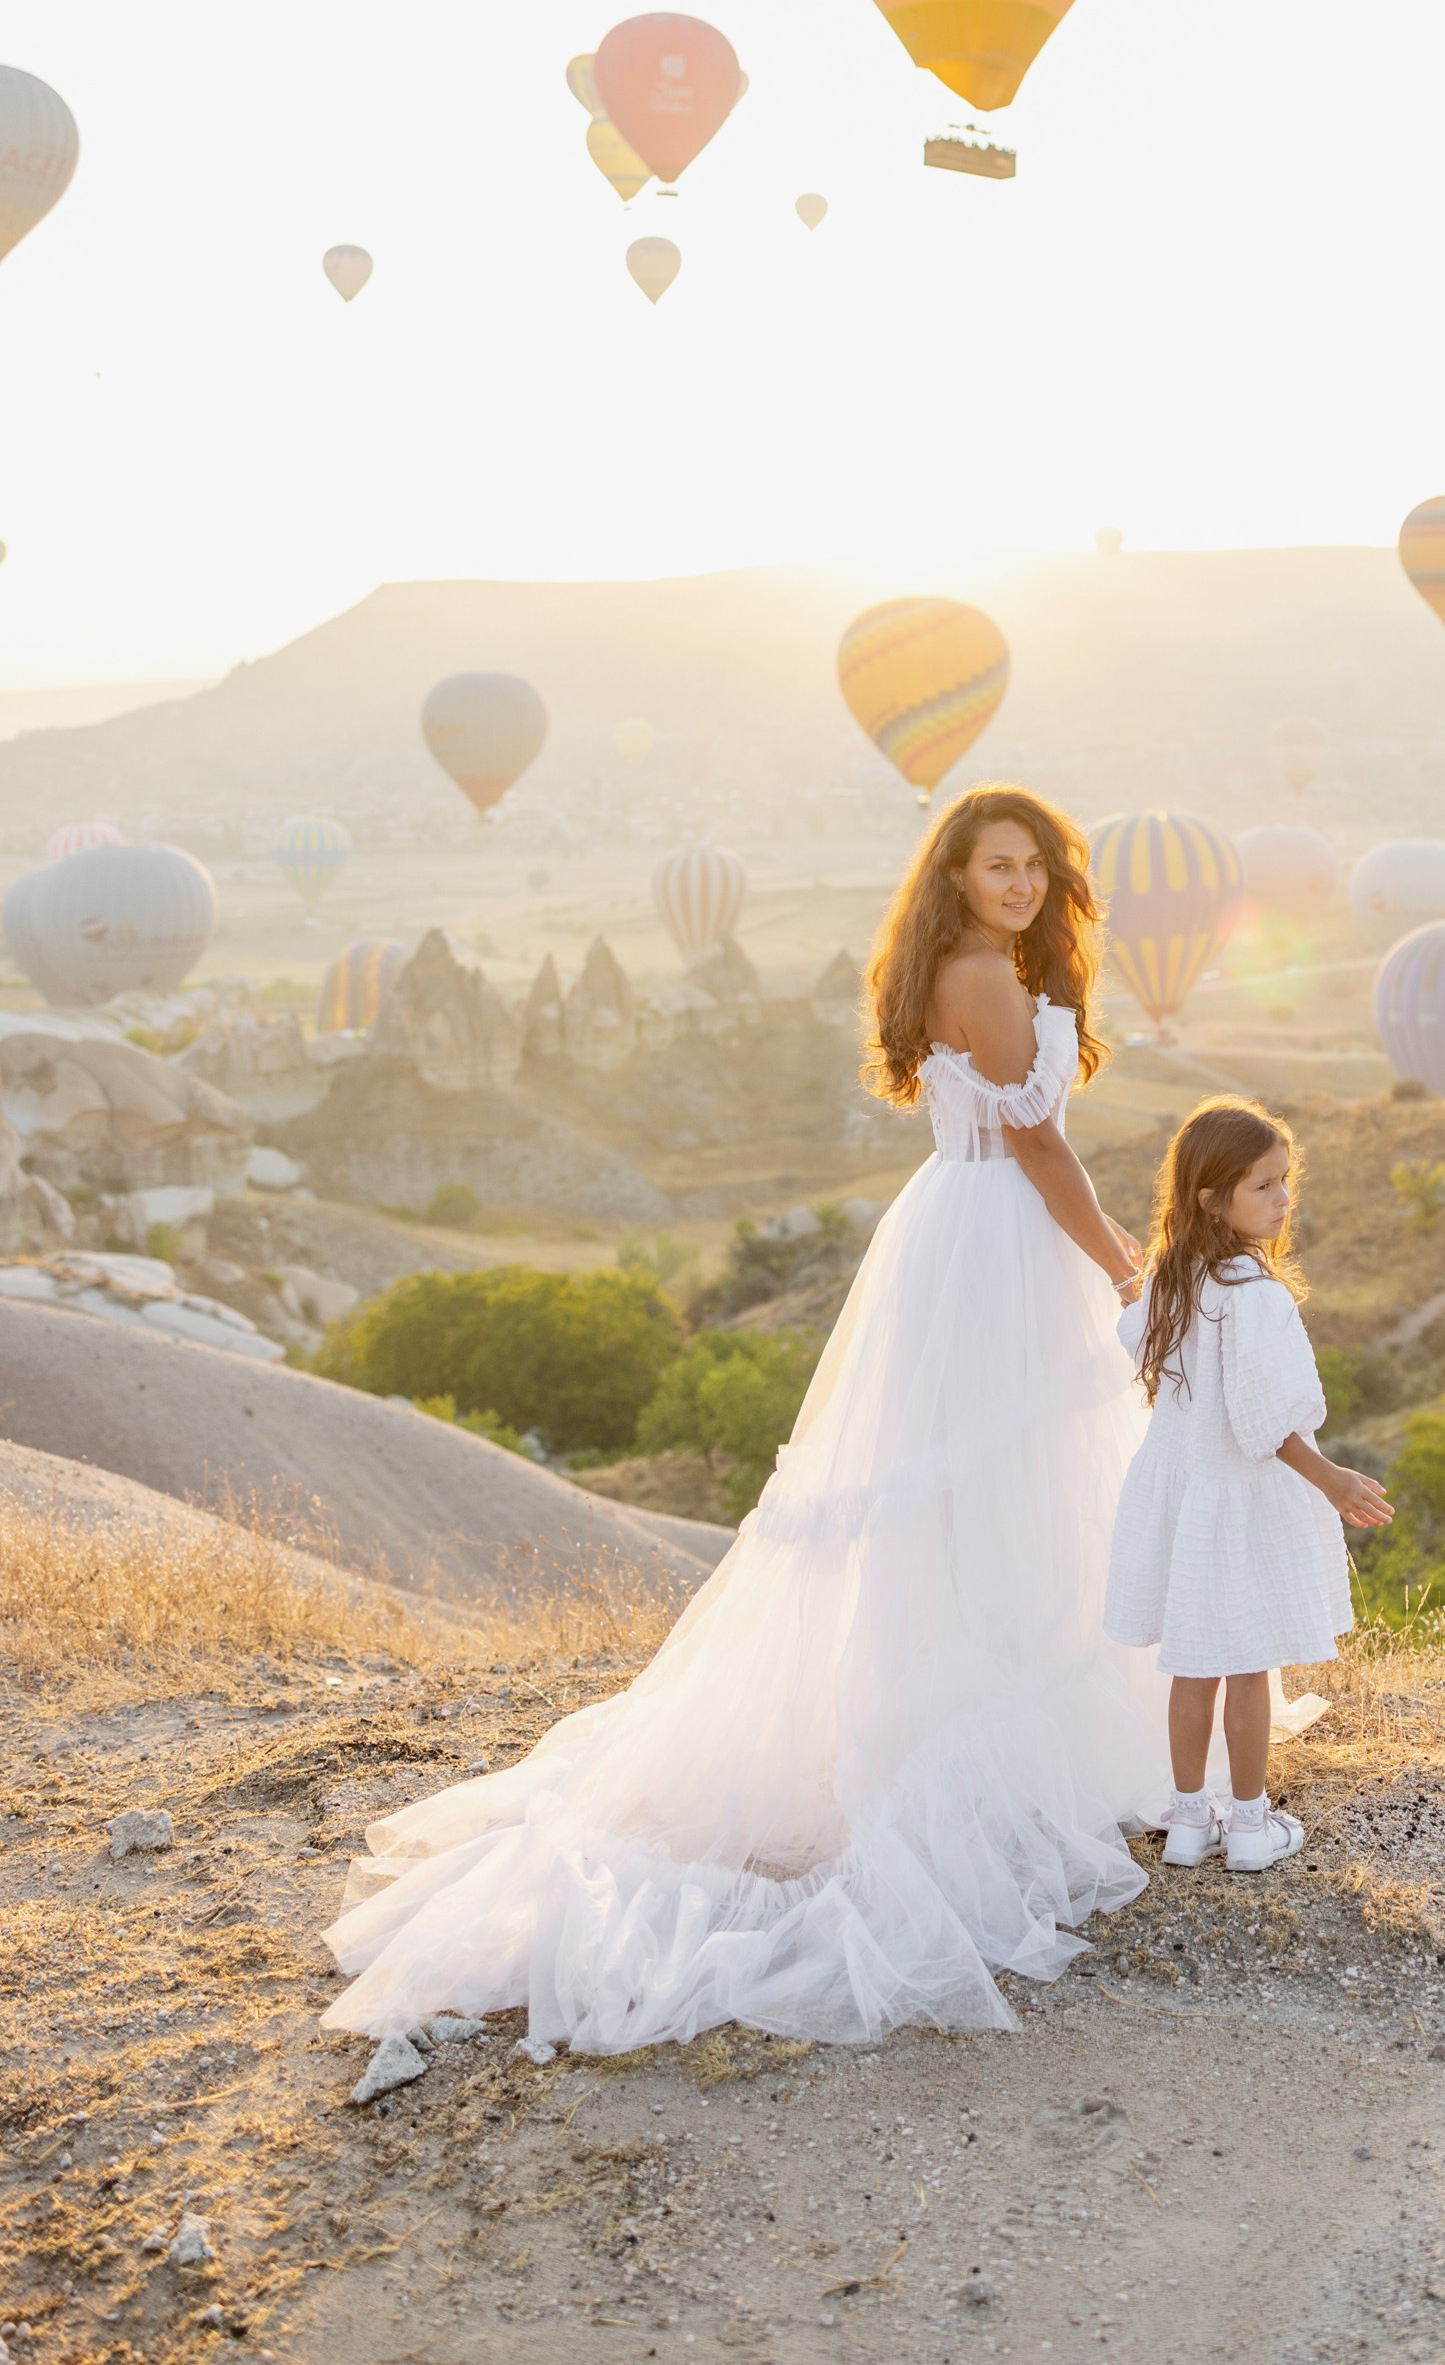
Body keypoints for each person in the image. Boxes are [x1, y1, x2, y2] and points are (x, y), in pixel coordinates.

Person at [320, 787, 1172, 2052]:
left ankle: (973, 1726)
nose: (1022, 886)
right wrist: (1118, 1263)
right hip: (1005, 1235)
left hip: (969, 1234)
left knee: (988, 1482)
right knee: (1000, 1476)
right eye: (998, 867)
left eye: (1036, 868)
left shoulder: (966, 964)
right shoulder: (983, 975)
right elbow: (1041, 1148)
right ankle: (975, 1750)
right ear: (954, 876)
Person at [1104, 1098, 1393, 1872]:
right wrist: (1331, 1479)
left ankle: (1190, 1821)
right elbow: (1265, 1424)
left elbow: (1130, 1335)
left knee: (1191, 1665)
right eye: (1263, 1186)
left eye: (1284, 1182)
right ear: (1211, 1197)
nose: (1283, 1199)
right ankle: (1252, 1828)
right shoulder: (1256, 1298)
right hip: (1235, 1500)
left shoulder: (1171, 1278)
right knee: (1248, 1668)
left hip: (1182, 1494)